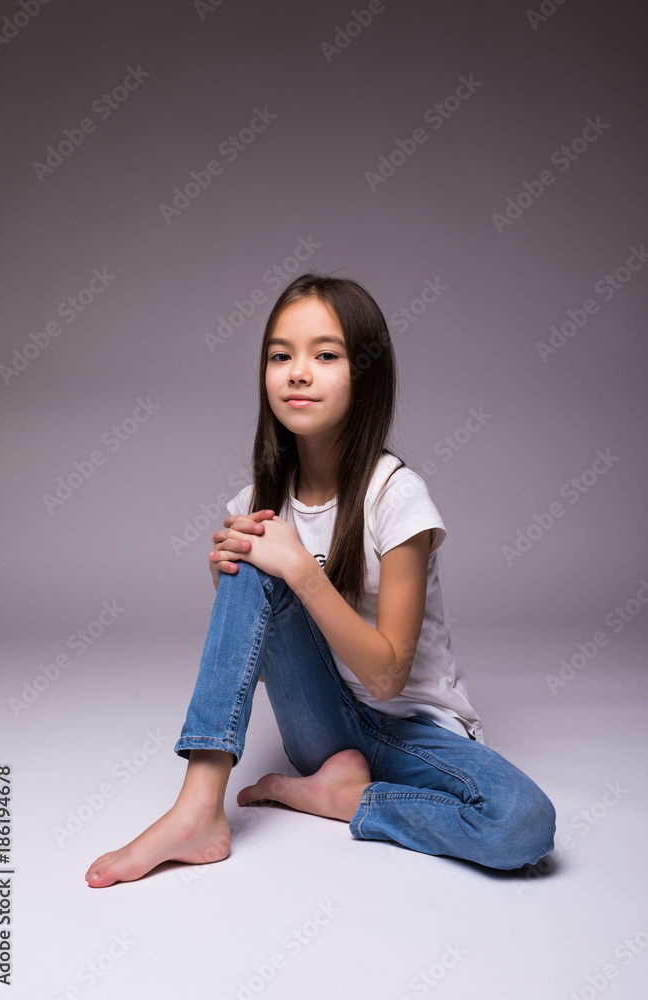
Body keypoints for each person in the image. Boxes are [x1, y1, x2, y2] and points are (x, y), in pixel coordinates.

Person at [85, 273, 555, 887]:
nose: (297, 372)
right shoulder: (258, 501)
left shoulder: (396, 496)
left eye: (325, 355)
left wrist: (301, 573)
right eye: (280, 356)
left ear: (366, 376)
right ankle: (198, 809)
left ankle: (345, 800)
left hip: (417, 731)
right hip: (323, 729)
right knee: (251, 561)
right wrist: (233, 583)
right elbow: (268, 635)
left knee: (522, 826)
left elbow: (387, 678)